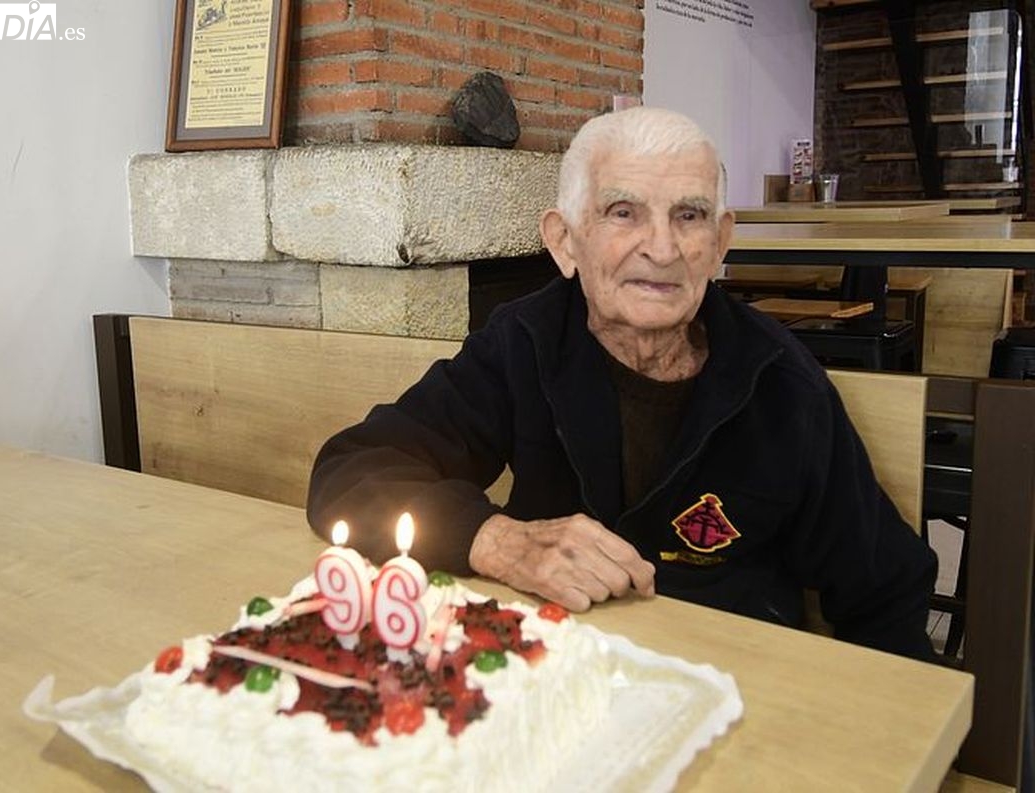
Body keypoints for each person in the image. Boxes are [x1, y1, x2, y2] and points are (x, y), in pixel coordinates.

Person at [306, 106, 936, 661]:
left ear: (720, 243)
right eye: (622, 212)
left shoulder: (782, 383)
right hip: (550, 672)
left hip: (730, 686)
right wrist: (496, 540)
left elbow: (884, 590)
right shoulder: (524, 342)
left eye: (689, 216)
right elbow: (351, 471)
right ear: (565, 242)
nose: (661, 248)